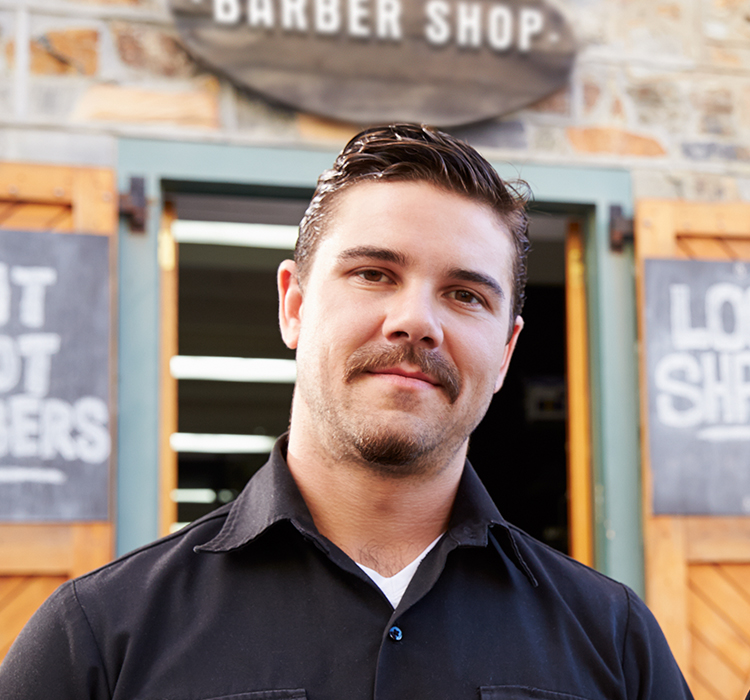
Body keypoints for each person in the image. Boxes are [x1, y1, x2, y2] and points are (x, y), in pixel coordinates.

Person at [0, 124, 693, 700]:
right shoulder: (96, 640)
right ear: (294, 305)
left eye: (465, 295)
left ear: (507, 350)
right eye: (373, 274)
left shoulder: (616, 644)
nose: (416, 322)